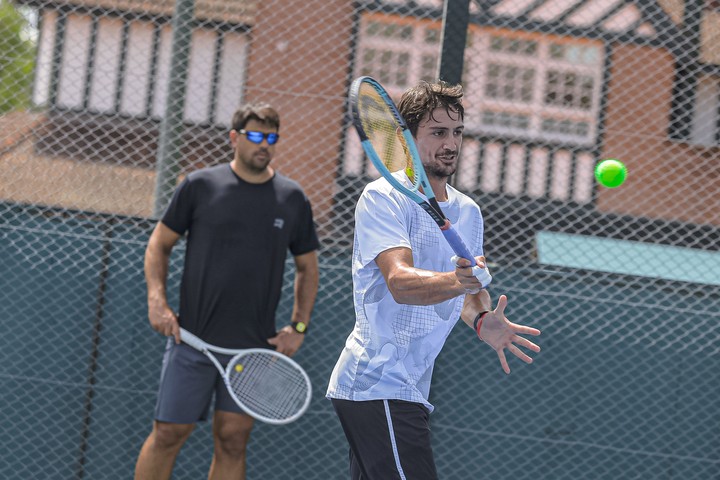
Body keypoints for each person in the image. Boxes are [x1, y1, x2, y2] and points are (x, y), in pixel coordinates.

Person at [326, 80, 541, 480]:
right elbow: (401, 282)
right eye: (438, 132)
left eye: (457, 132)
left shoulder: (469, 212)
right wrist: (459, 283)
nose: (451, 143)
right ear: (406, 138)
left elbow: (466, 289)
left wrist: (481, 316)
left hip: (410, 386)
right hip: (378, 382)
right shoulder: (383, 198)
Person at [135, 103, 320, 480]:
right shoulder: (199, 186)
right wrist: (157, 301)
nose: (264, 144)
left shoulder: (292, 198)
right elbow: (158, 245)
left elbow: (307, 267)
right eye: (255, 136)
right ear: (234, 138)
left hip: (252, 350)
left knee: (233, 439)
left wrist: (297, 328)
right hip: (192, 340)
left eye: (271, 137)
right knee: (169, 433)